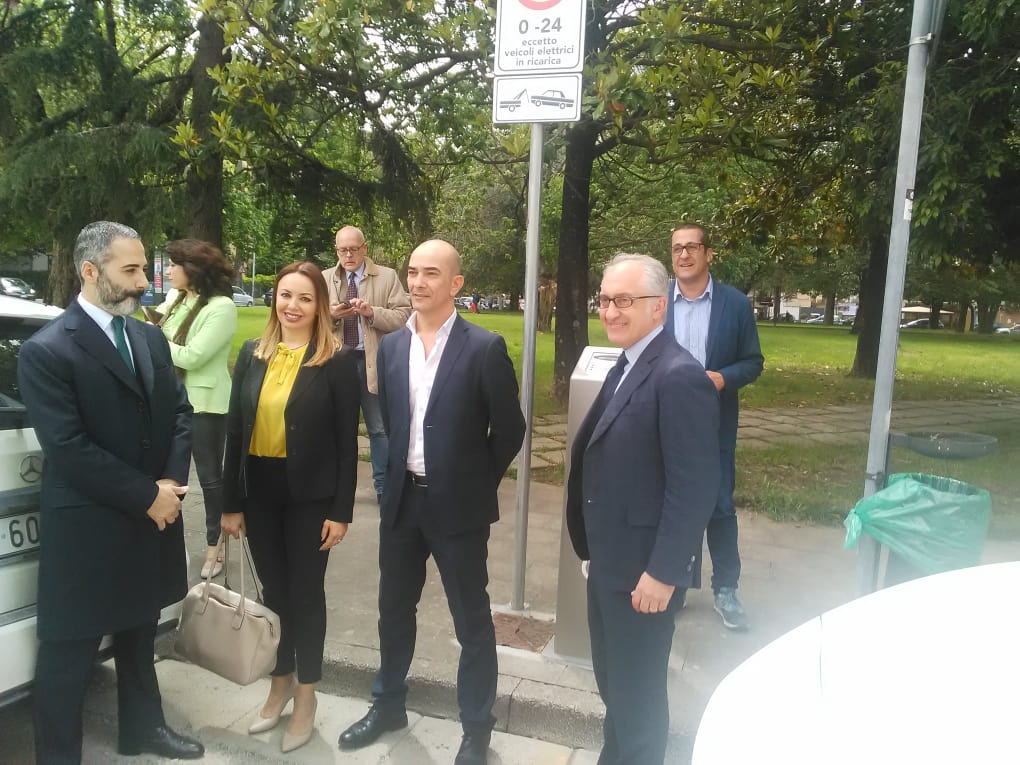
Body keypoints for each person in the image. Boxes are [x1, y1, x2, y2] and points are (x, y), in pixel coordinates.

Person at [17, 221, 202, 763]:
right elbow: (68, 447)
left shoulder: (148, 337)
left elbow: (180, 413)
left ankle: (144, 729)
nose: (145, 281)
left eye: (144, 268)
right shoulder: (48, 350)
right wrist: (146, 494)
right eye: (132, 270)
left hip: (151, 515)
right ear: (90, 271)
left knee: (140, 631)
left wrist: (168, 484)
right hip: (89, 525)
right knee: (69, 651)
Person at [337, 240, 525, 765]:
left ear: (456, 284)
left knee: (472, 621)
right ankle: (388, 705)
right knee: (393, 610)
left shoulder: (484, 348)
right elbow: (395, 423)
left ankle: (476, 729)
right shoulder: (393, 347)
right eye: (413, 272)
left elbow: (510, 429)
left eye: (431, 274)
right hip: (402, 504)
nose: (418, 282)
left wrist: (474, 482)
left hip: (458, 510)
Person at [566, 253, 720, 765]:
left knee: (639, 701)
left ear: (658, 307)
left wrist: (663, 572)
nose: (610, 311)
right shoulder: (628, 361)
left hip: (643, 577)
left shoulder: (678, 376)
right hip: (610, 563)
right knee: (616, 688)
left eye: (624, 300)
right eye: (605, 299)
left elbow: (695, 487)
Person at [221, 261, 360, 753]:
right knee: (274, 595)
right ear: (274, 299)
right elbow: (234, 430)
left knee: (305, 595)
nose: (293, 306)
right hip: (259, 494)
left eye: (304, 298)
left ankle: (306, 695)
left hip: (311, 499)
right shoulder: (252, 353)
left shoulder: (337, 361)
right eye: (285, 295)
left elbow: (347, 443)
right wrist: (229, 504)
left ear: (320, 305)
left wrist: (341, 511)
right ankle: (279, 684)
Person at [665, 224, 764, 630]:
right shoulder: (657, 302)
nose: (684, 255)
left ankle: (726, 590)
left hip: (714, 424)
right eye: (677, 248)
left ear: (708, 254)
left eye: (692, 247)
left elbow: (753, 362)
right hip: (664, 422)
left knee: (719, 505)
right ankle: (674, 584)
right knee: (670, 504)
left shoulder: (735, 305)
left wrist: (723, 378)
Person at [156, 239, 238, 579]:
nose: (168, 271)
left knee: (210, 479)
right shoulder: (176, 298)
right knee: (164, 474)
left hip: (205, 405)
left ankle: (216, 545)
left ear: (193, 269)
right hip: (169, 400)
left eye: (174, 265)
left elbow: (193, 356)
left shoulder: (222, 307)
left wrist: (155, 341)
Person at [324, 225, 412, 501]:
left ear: (365, 248)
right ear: (336, 250)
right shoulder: (325, 279)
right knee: (336, 429)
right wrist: (332, 316)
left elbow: (404, 316)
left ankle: (384, 488)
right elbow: (310, 320)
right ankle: (336, 489)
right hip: (336, 363)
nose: (348, 255)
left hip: (373, 361)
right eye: (342, 250)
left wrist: (372, 312)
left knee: (379, 428)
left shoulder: (386, 276)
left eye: (353, 249)